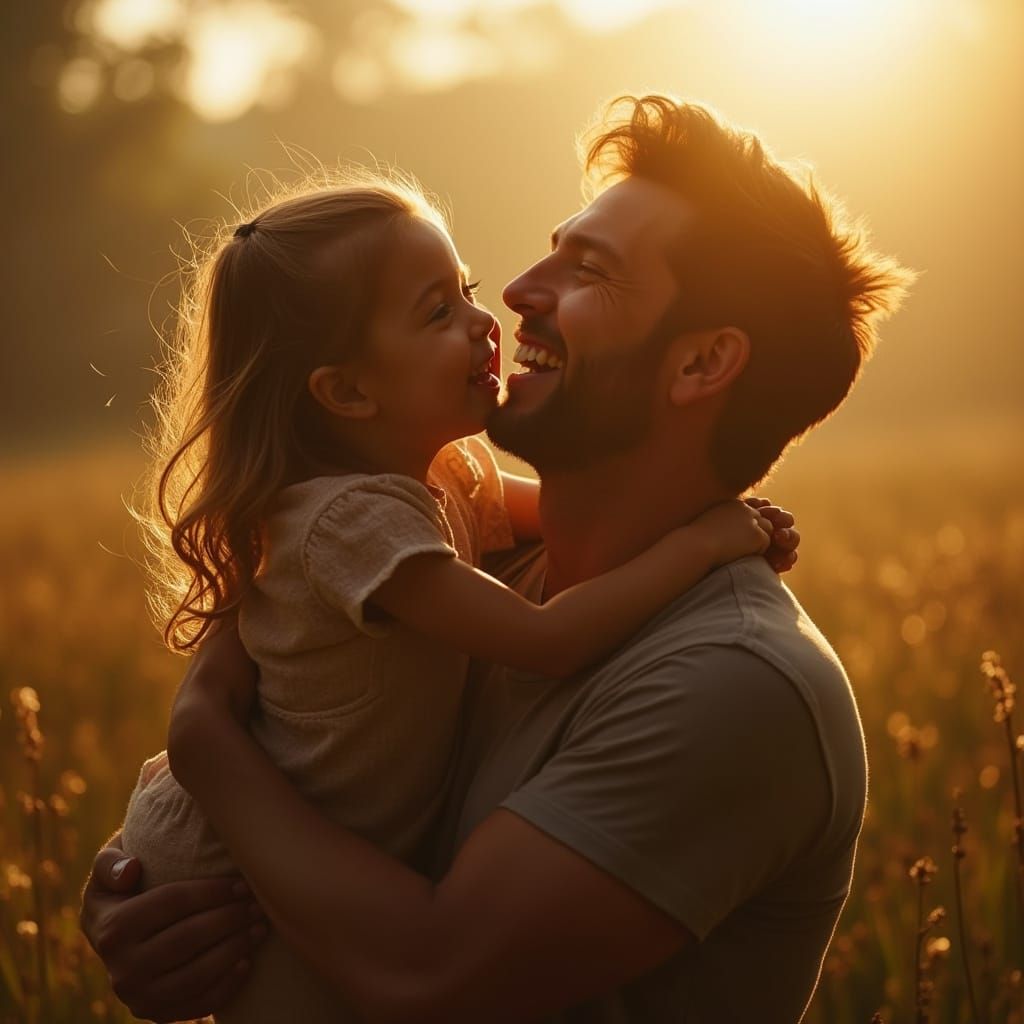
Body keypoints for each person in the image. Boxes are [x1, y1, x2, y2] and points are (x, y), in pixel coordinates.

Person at [82, 94, 911, 1023]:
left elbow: (425, 974)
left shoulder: (733, 680)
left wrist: (207, 749)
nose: (515, 292)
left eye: (589, 269)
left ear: (701, 364)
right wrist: (150, 901)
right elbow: (287, 612)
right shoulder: (473, 571)